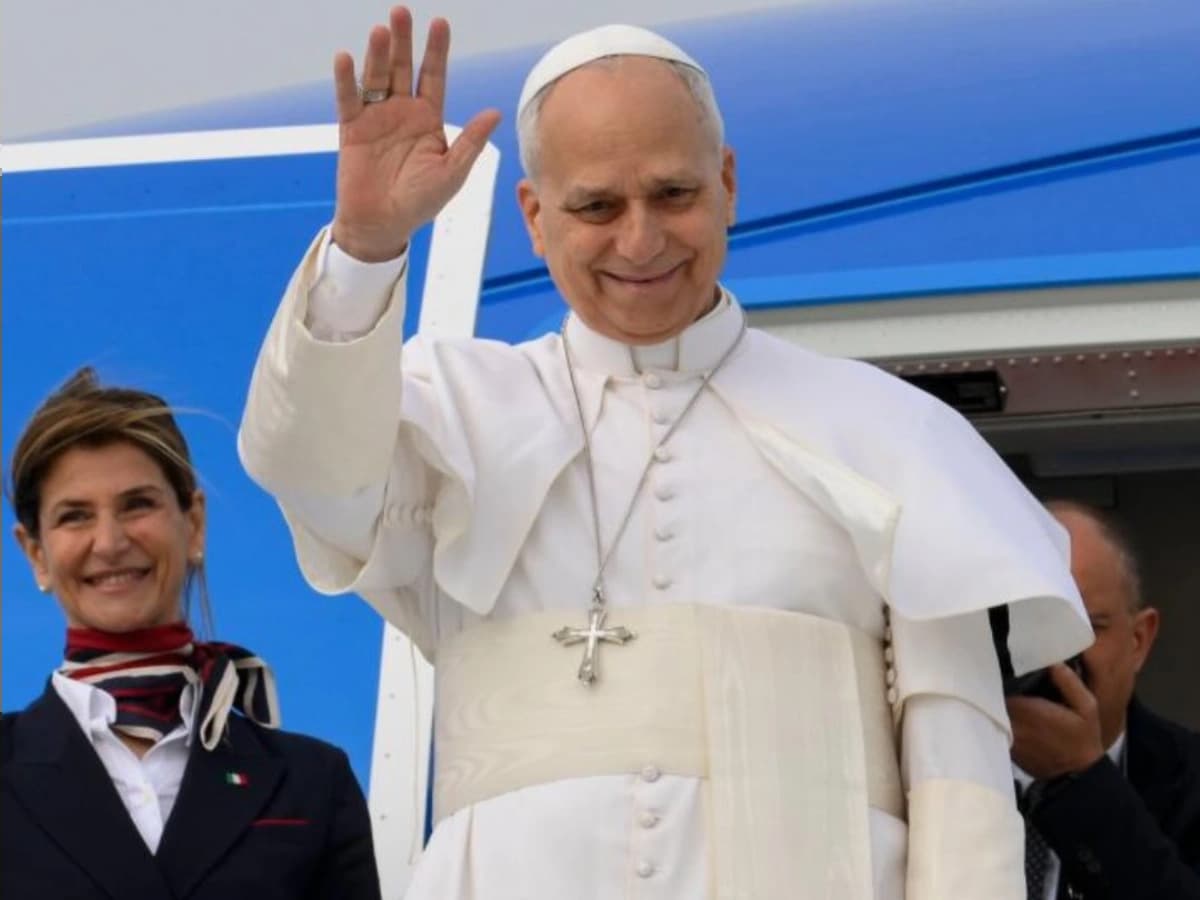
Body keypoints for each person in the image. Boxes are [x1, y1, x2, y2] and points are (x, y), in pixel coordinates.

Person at [238, 7, 1093, 898]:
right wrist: (365, 251)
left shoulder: (889, 434)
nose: (640, 241)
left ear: (727, 184)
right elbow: (311, 469)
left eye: (673, 195)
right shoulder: (452, 410)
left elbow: (961, 781)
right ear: (534, 216)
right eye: (597, 206)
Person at [1, 368, 382, 900]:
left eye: (138, 504)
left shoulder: (313, 782)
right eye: (75, 516)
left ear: (194, 524)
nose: (109, 542)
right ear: (36, 554)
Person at [1009, 501, 1200, 900]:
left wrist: (1083, 780)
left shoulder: (1190, 781)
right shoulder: (925, 766)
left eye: (1085, 627)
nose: (1055, 657)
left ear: (1139, 641)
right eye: (1028, 623)